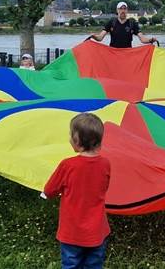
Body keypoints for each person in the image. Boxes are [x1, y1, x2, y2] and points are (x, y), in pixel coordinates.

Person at [42, 113, 111, 269]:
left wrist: (48, 194)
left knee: (71, 264)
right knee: (94, 265)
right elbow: (103, 187)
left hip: (72, 232)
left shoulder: (68, 165)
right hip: (97, 230)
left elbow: (50, 189)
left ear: (77, 142)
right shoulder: (105, 164)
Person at [89, 2, 156, 48]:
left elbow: (142, 39)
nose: (122, 11)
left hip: (127, 54)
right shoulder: (111, 22)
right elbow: (100, 37)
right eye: (120, 9)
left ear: (127, 10)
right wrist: (93, 36)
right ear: (117, 10)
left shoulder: (132, 23)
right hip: (113, 53)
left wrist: (150, 40)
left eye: (124, 9)